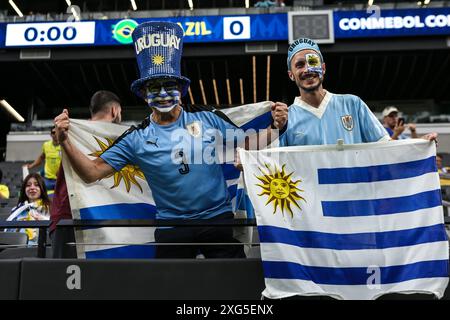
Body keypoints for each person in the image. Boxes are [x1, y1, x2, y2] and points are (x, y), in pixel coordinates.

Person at [54, 22, 287, 259]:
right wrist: (65, 141)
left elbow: (246, 144)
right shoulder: (136, 138)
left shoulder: (207, 117)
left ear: (181, 90)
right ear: (144, 95)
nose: (163, 94)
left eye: (169, 86)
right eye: (154, 88)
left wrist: (277, 128)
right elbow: (91, 172)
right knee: (170, 289)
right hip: (172, 229)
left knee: (231, 285)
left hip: (218, 222)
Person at [278, 37, 436, 146]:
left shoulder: (353, 104)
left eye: (313, 62)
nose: (307, 69)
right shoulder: (285, 119)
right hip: (311, 195)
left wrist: (420, 147)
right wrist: (275, 128)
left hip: (354, 194)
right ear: (291, 75)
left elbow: (386, 149)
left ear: (323, 68)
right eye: (299, 65)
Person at [50, 90, 122, 258]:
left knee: (67, 280)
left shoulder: (69, 129)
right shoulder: (123, 137)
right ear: (115, 111)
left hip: (69, 215)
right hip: (83, 216)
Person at [5, 173, 50, 245]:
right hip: (16, 248)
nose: (32, 187)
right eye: (28, 185)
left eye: (36, 185)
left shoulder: (51, 208)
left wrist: (43, 220)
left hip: (41, 248)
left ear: (42, 188)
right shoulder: (16, 210)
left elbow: (55, 232)